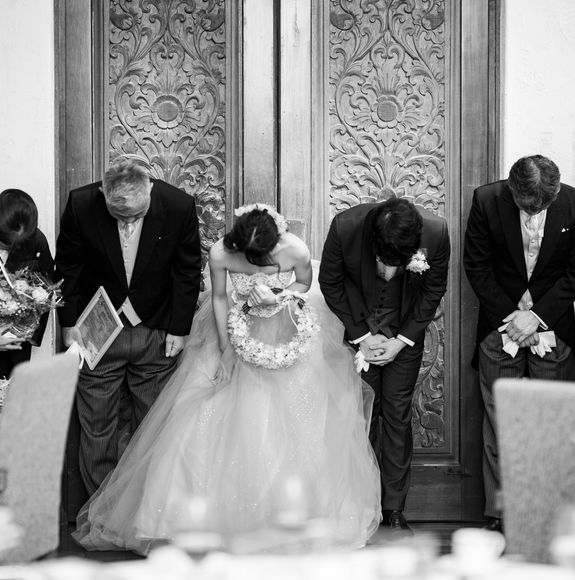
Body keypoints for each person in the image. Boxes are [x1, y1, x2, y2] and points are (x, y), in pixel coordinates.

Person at [73, 203, 381, 554]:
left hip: (283, 330)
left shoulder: (295, 249)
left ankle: (291, 521)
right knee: (205, 417)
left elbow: (304, 283)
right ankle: (196, 522)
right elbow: (219, 298)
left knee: (300, 418)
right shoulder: (221, 252)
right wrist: (225, 349)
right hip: (233, 327)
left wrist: (278, 295)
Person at [55, 158, 202, 496]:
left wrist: (179, 329)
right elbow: (68, 267)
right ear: (103, 194)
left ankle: (144, 506)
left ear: (149, 188)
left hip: (156, 330)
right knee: (96, 426)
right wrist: (69, 324)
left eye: (136, 216)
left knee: (153, 424)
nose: (128, 224)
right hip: (97, 331)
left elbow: (187, 270)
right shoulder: (81, 203)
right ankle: (98, 509)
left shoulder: (179, 205)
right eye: (120, 217)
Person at [319, 197, 450, 534]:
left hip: (403, 337)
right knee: (357, 414)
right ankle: (359, 504)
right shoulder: (346, 227)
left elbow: (433, 290)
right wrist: (362, 336)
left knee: (396, 415)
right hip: (356, 333)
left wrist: (400, 341)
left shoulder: (435, 231)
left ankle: (393, 508)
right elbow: (330, 282)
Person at [464, 154, 575, 532]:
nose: (534, 214)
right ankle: (500, 516)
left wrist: (537, 316)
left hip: (553, 330)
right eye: (527, 207)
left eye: (542, 208)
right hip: (499, 329)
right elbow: (476, 266)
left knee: (550, 425)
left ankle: (547, 516)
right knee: (501, 423)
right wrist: (513, 318)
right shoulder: (486, 201)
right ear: (512, 191)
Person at [0, 189, 54, 378]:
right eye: (6, 243)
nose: (15, 247)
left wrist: (26, 332)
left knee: (15, 389)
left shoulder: (36, 241)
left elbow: (47, 286)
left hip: (18, 340)